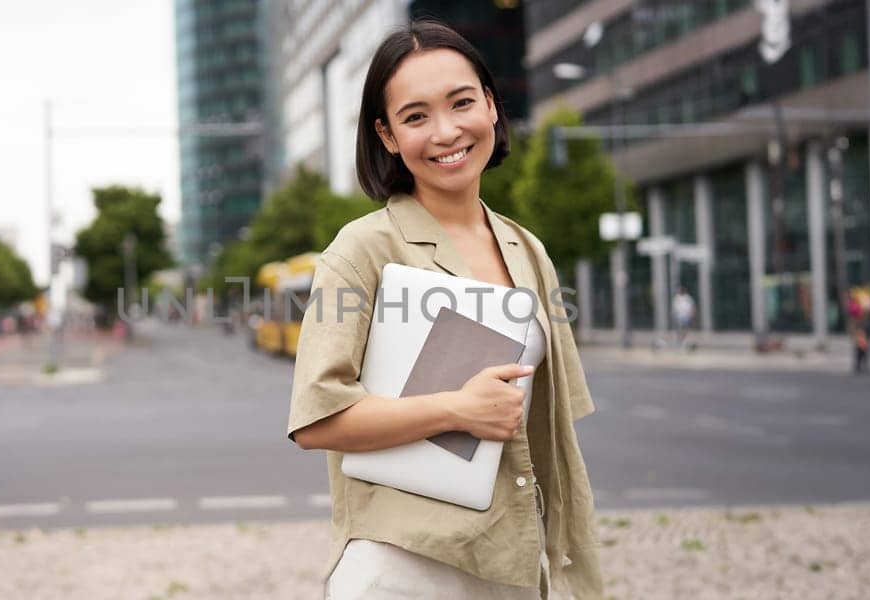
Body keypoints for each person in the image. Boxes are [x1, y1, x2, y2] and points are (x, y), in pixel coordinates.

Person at [287, 21, 602, 599]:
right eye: (415, 116)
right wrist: (457, 409)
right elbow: (316, 419)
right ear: (386, 135)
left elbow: (550, 434)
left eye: (462, 103)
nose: (447, 131)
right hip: (404, 567)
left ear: (490, 103)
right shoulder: (362, 250)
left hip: (511, 562)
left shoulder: (527, 249)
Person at [672, 286, 695, 351]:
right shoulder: (677, 298)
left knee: (685, 330)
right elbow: (675, 308)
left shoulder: (688, 298)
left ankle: (683, 342)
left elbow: (692, 307)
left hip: (686, 316)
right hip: (679, 316)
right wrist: (675, 316)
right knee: (679, 330)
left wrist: (691, 314)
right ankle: (679, 343)